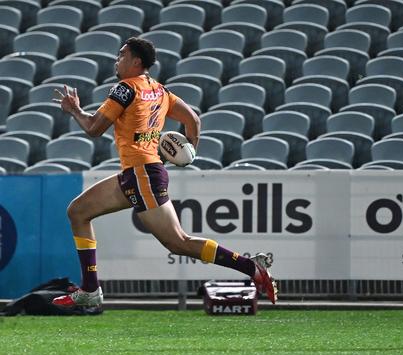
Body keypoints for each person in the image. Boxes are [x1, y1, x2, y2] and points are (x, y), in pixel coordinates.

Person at [51, 37, 277, 307]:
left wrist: (74, 109)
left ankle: (252, 268)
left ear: (136, 61)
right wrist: (187, 153)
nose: (117, 60)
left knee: (178, 242)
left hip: (141, 173)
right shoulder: (160, 91)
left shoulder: (124, 89)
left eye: (121, 55)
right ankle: (90, 289)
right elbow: (193, 119)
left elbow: (93, 129)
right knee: (78, 211)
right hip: (139, 172)